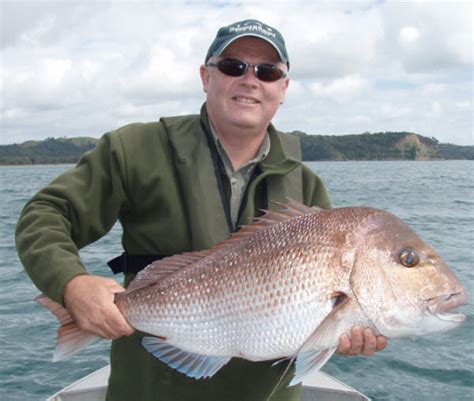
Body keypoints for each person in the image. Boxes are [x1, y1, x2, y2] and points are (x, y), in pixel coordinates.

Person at [16, 19, 387, 401]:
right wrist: (71, 283)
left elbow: (316, 321)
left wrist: (344, 333)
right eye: (233, 66)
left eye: (268, 71)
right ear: (205, 76)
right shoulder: (136, 149)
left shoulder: (307, 186)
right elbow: (46, 214)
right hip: (148, 390)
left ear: (284, 88)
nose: (250, 80)